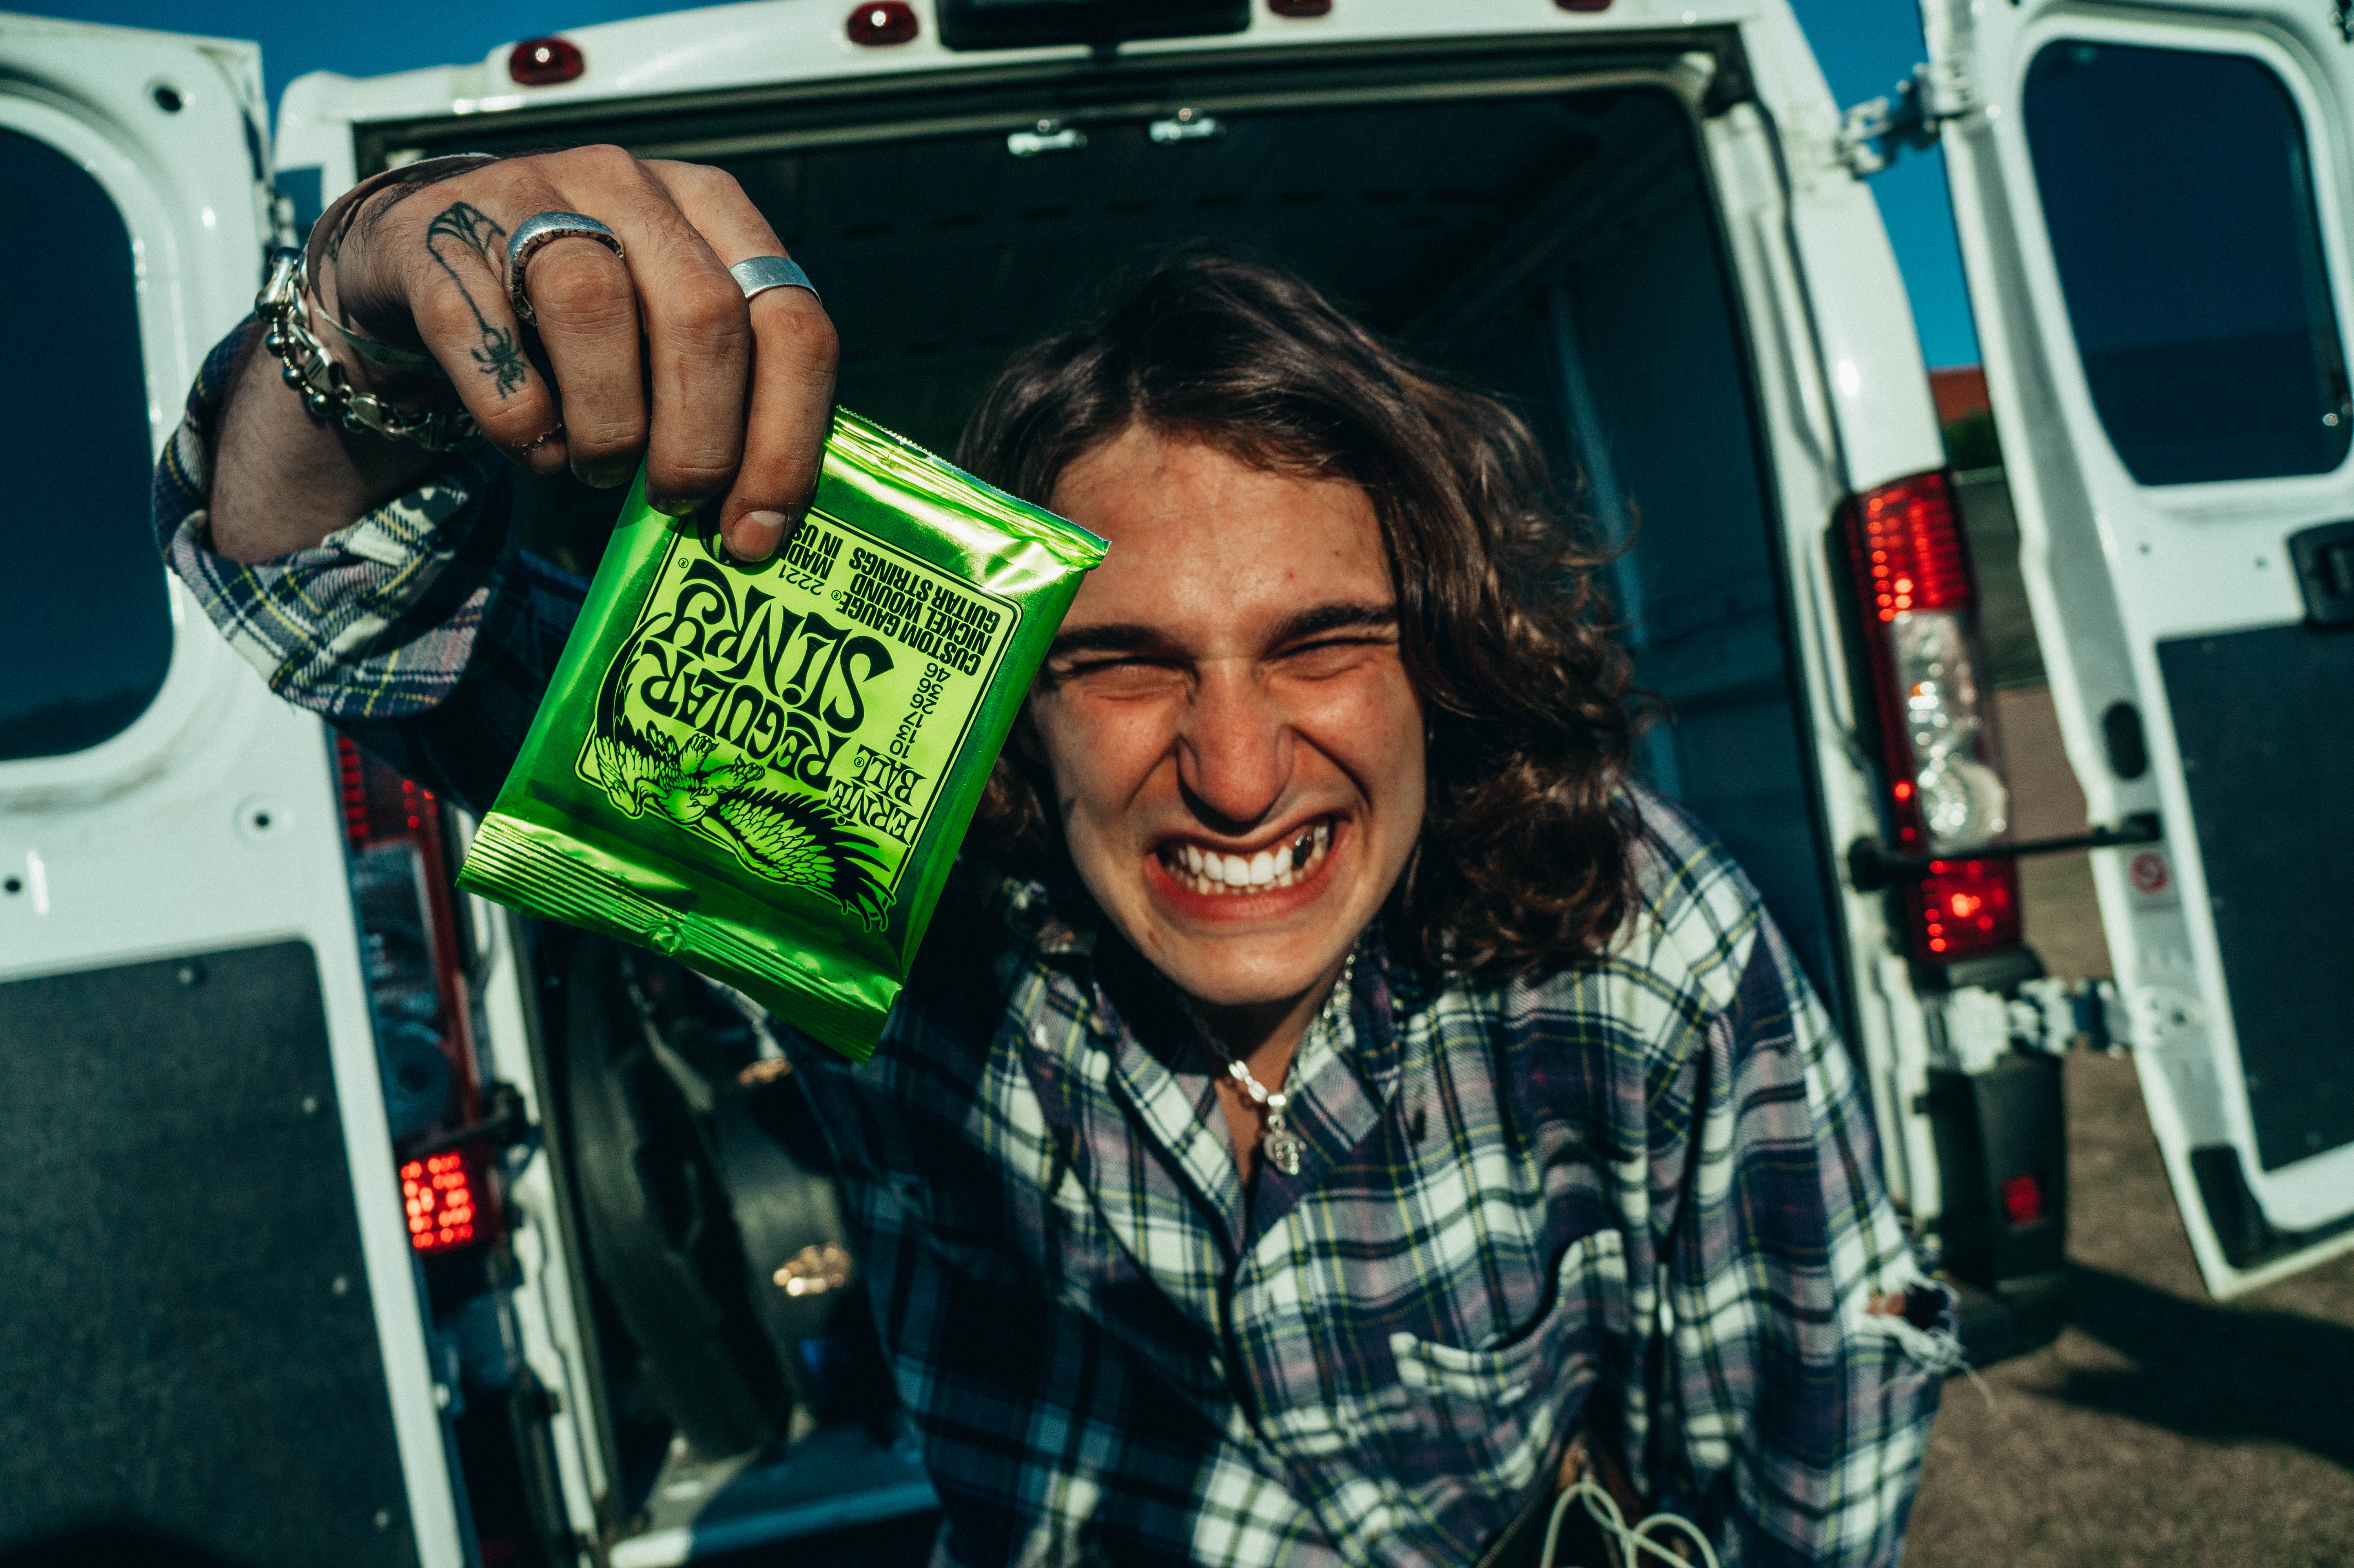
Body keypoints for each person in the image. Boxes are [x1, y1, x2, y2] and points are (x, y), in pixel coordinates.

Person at [163, 148, 1957, 1568]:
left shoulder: (1628, 936)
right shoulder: (885, 876)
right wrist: (374, 281)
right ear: (1009, 699)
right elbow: (327, 598)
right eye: (1123, 662)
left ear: (1443, 658)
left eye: (1326, 640)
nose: (1239, 777)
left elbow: (1823, 1425)